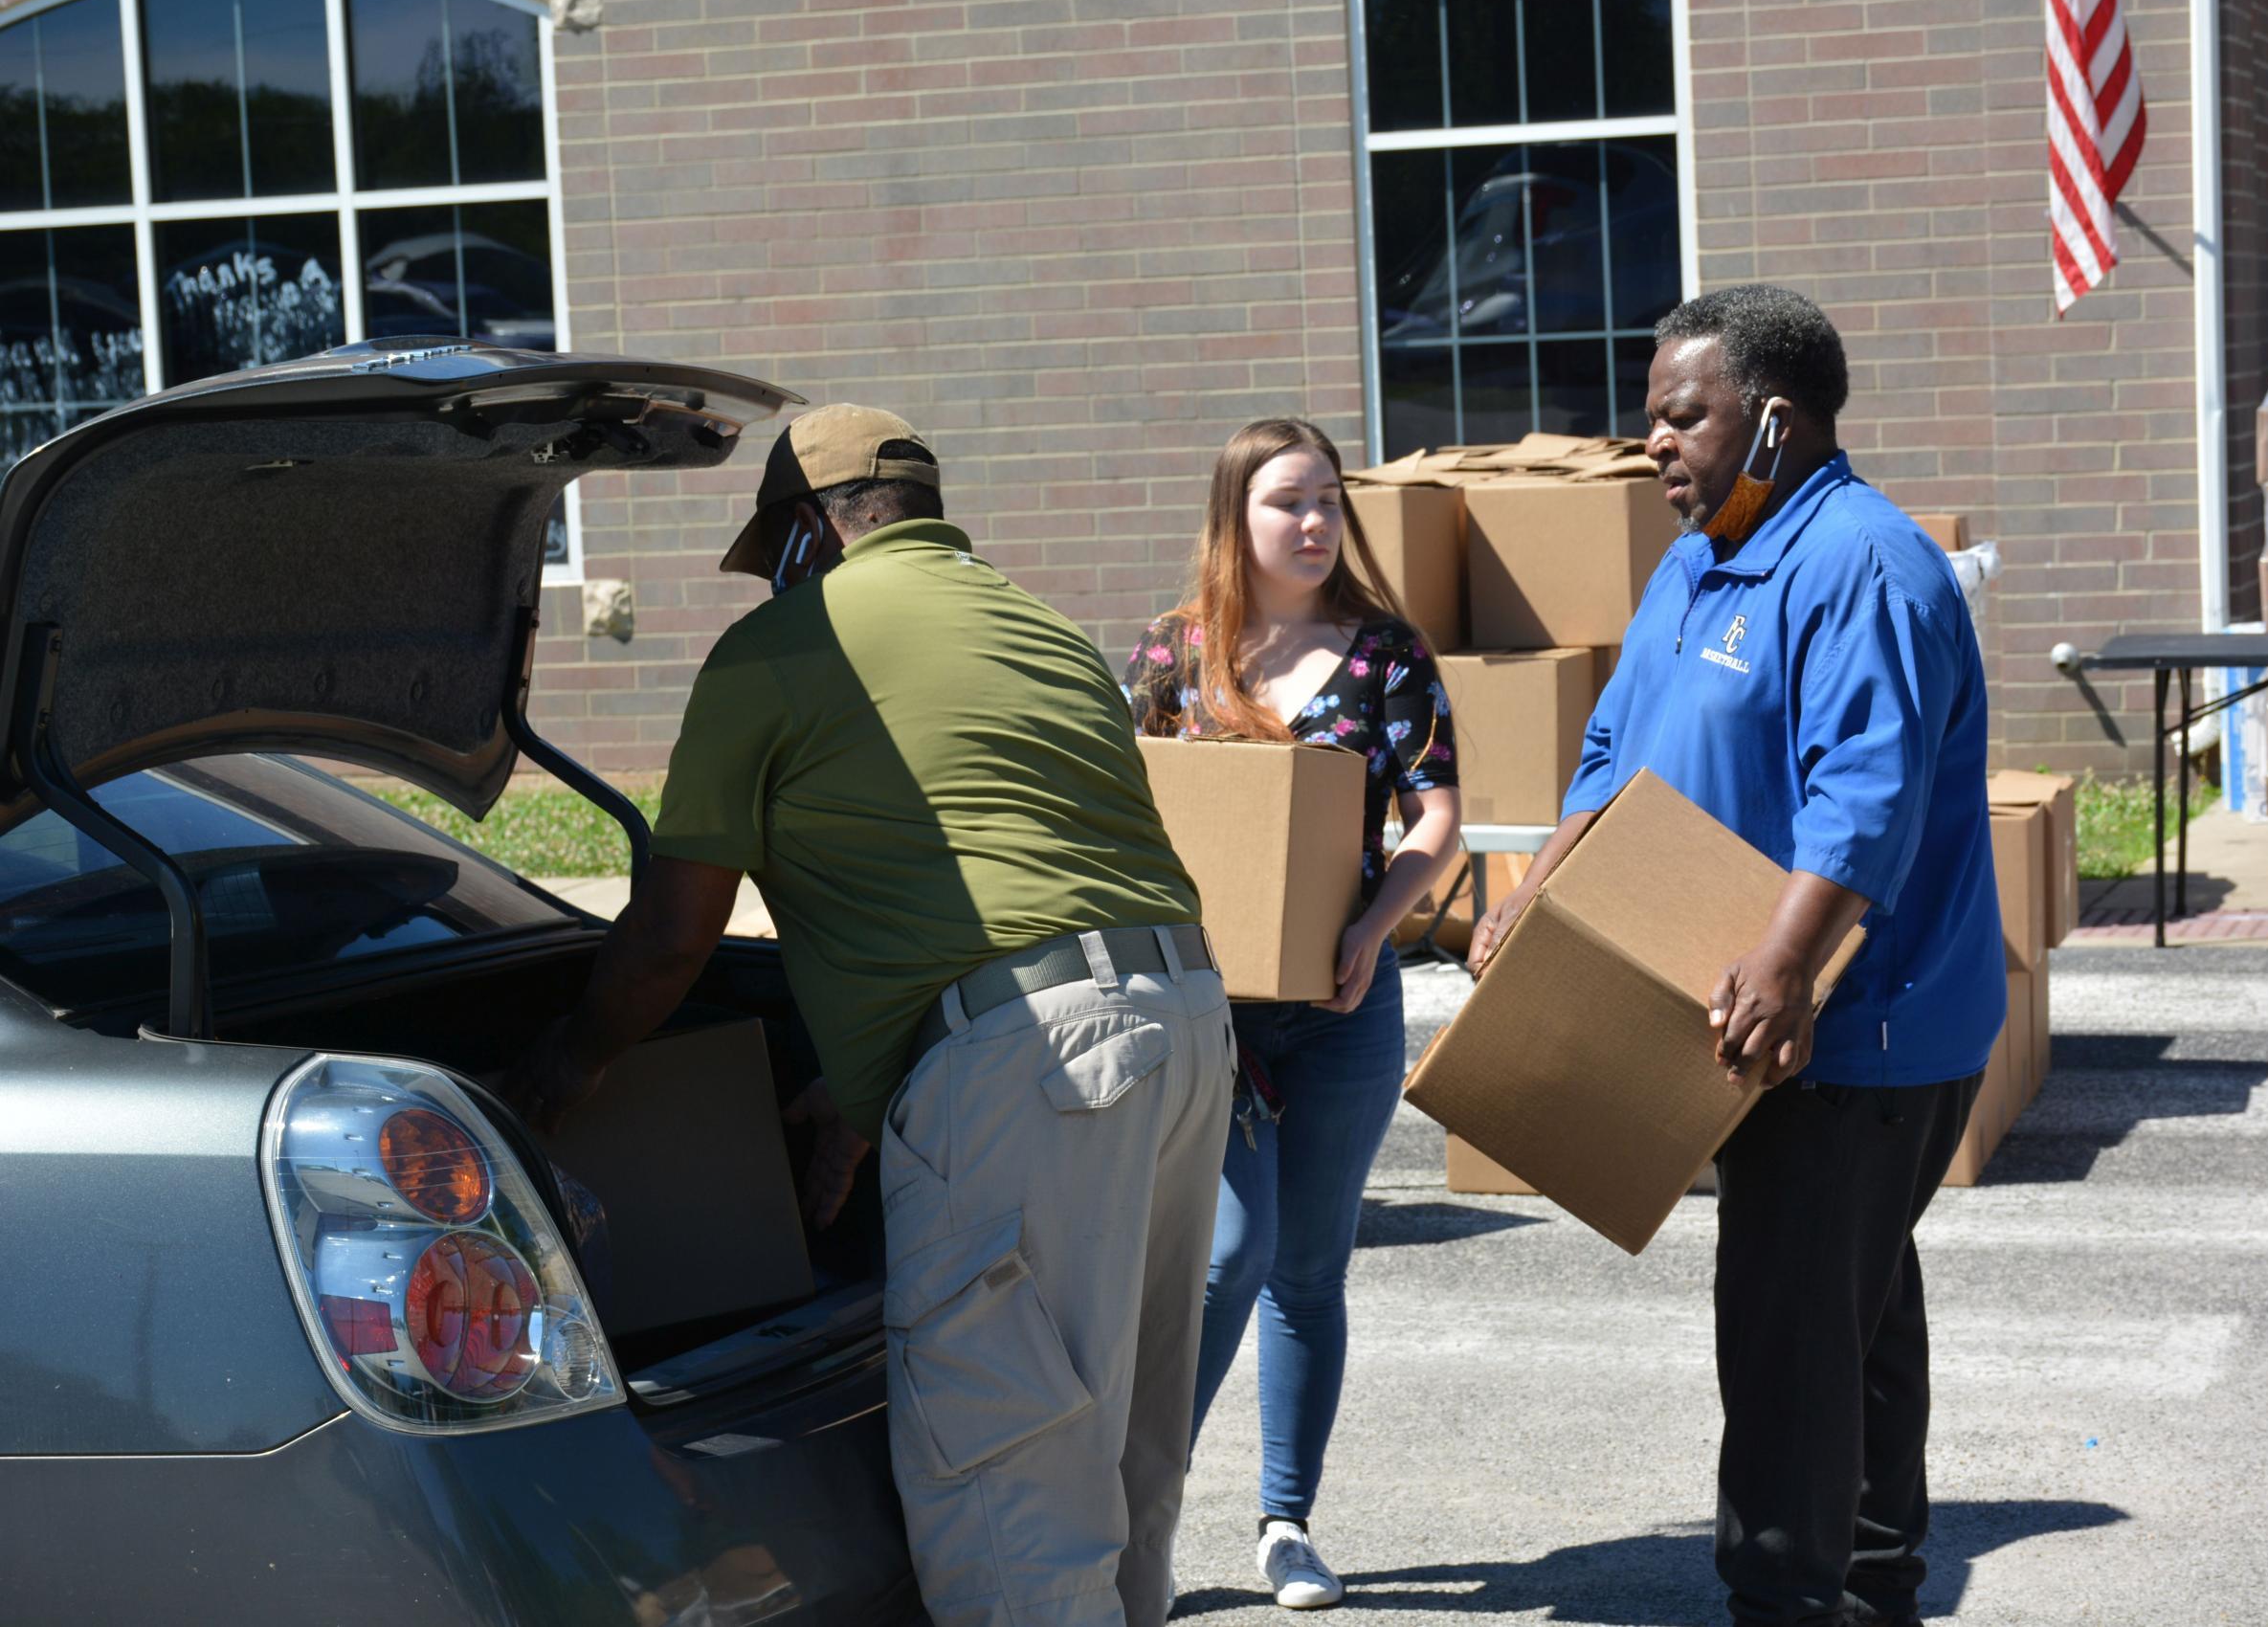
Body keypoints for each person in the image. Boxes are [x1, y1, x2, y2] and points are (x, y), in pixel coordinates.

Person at [508, 404, 1235, 1627]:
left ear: (808, 534)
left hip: (1034, 1067)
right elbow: (993, 871)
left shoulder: (785, 650)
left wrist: (556, 1073)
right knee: (1114, 1466)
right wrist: (867, 1100)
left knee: (1014, 1506)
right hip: (1186, 1033)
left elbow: (672, 937)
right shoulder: (1044, 629)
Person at [1467, 286, 2005, 1627]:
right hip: (1760, 1014)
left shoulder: (1864, 564)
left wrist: (1781, 965)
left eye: (1680, 414)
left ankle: (1783, 1587)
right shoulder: (1699, 559)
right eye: (1651, 416)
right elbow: (1613, 750)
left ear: (1773, 417)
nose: (1653, 442)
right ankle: (1872, 1576)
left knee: (1786, 1332)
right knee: (1851, 1308)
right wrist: (1538, 885)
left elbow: (1864, 801)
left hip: (1857, 1024)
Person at [1124, 418, 1461, 1611]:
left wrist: (1374, 928)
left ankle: (1284, 1522)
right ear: (1236, 517)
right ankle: (1137, 1519)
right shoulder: (1174, 659)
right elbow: (1130, 814)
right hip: (1208, 1014)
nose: (1314, 523)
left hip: (1342, 1004)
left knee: (1308, 1272)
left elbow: (1434, 820)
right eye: (1287, 503)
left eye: (1327, 500)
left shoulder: (1386, 654)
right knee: (1226, 1258)